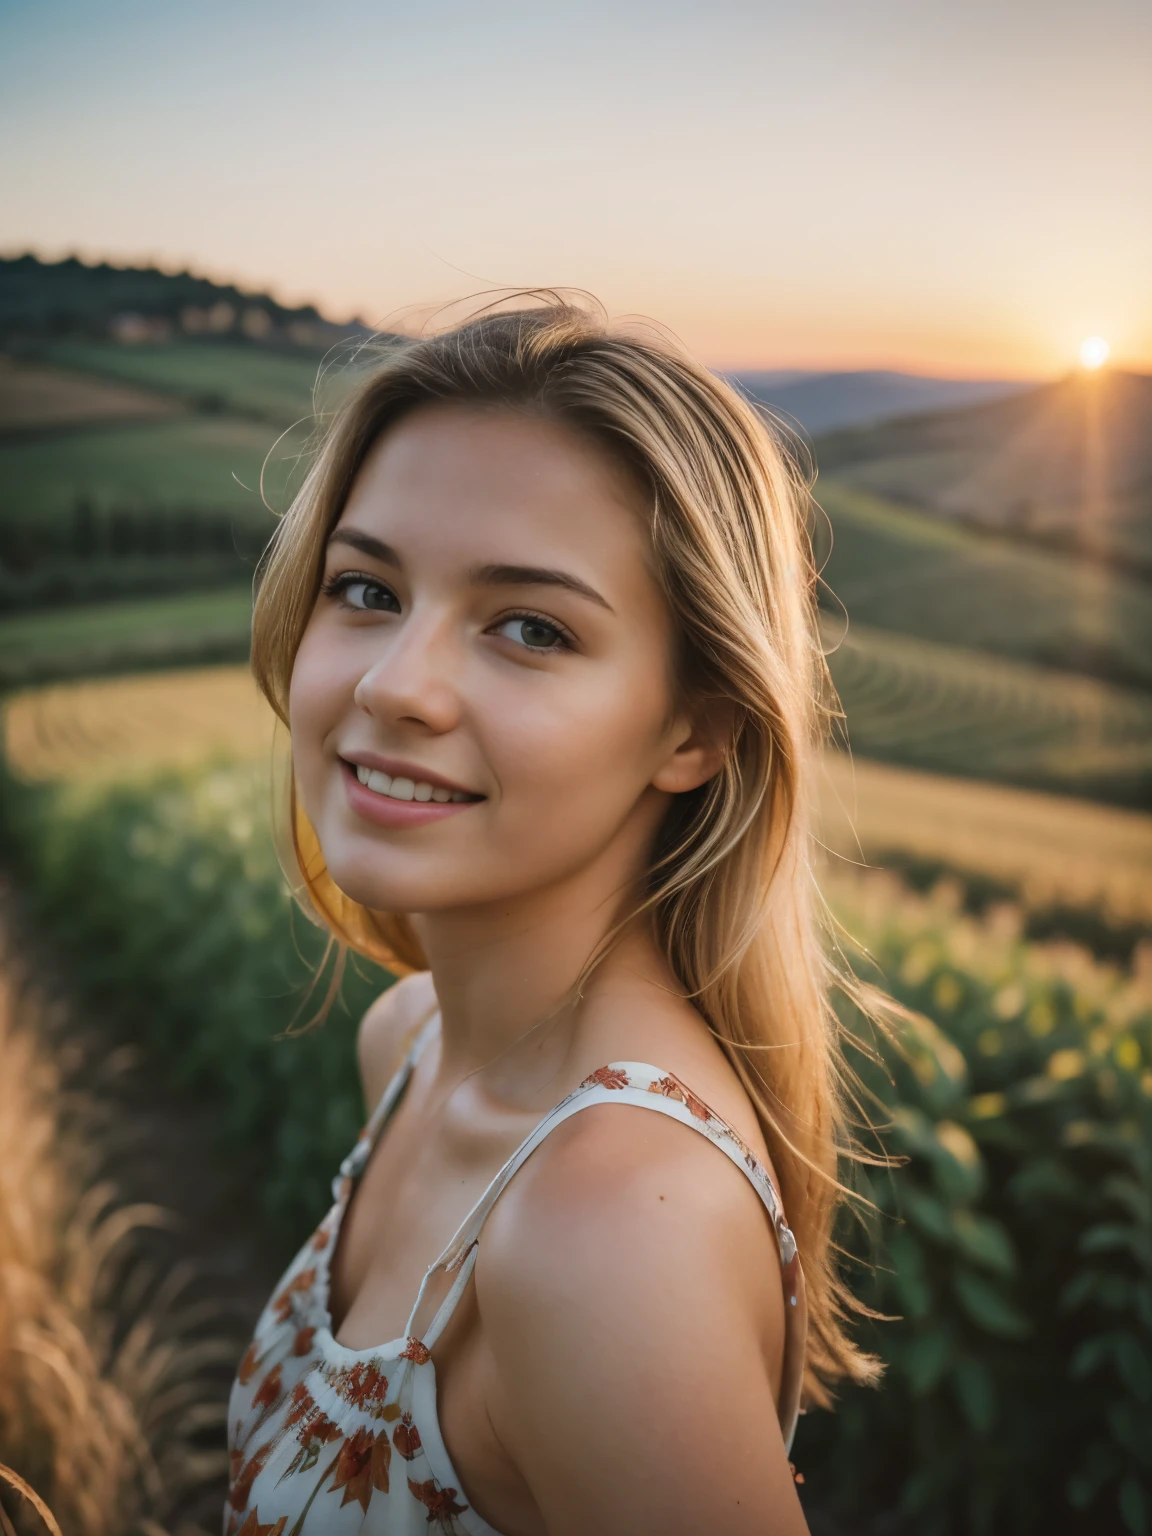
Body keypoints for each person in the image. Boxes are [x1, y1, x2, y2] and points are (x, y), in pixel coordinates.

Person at [225, 299, 878, 1536]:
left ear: (695, 731)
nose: (393, 683)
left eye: (530, 627)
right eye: (364, 588)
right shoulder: (410, 1043)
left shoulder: (606, 1228)